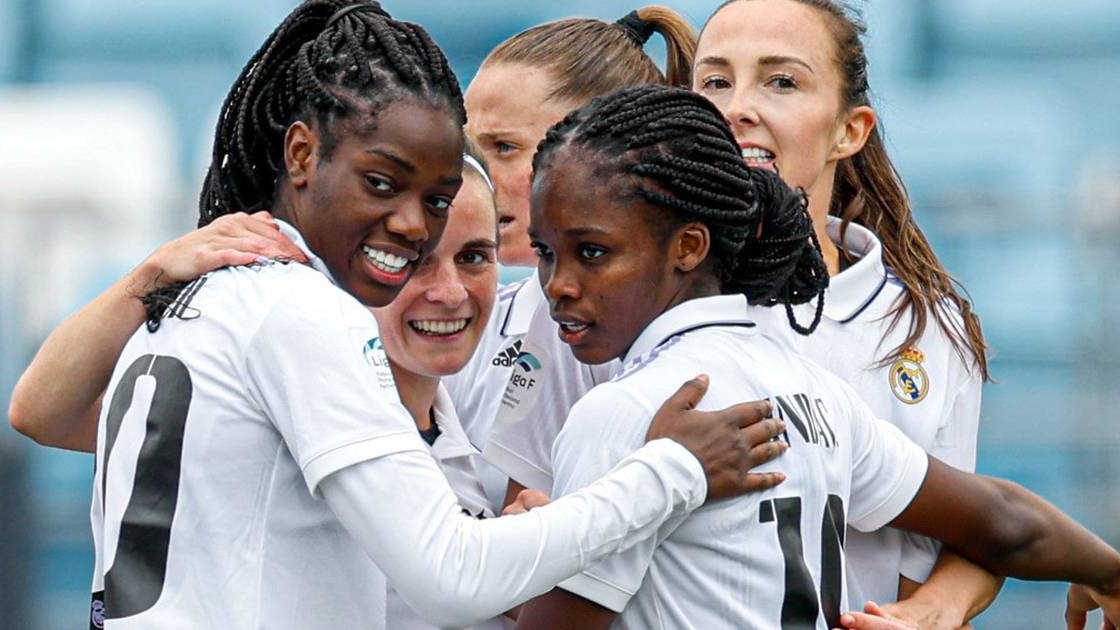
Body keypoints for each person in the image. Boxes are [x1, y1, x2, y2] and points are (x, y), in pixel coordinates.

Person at [10, 3, 781, 627]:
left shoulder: (210, 293)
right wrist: (669, 472)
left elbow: (43, 410)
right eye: (383, 183)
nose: (416, 230)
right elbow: (451, 575)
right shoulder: (304, 314)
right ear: (303, 155)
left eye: (443, 205)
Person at [510, 84, 1120, 630]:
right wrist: (1110, 572)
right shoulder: (816, 393)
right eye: (544, 252)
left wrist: (518, 556)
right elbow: (1004, 521)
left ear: (689, 247)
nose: (557, 284)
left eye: (591, 252)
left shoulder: (627, 414)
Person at [485, 1, 999, 625]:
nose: (739, 108)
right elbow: (525, 547)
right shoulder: (605, 296)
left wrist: (934, 610)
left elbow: (979, 530)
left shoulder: (926, 324)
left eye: (781, 81)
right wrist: (541, 538)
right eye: (715, 82)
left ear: (851, 129)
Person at [448, 6, 703, 510]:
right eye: (471, 145)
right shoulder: (458, 310)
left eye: (505, 147)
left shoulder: (705, 333)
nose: (472, 173)